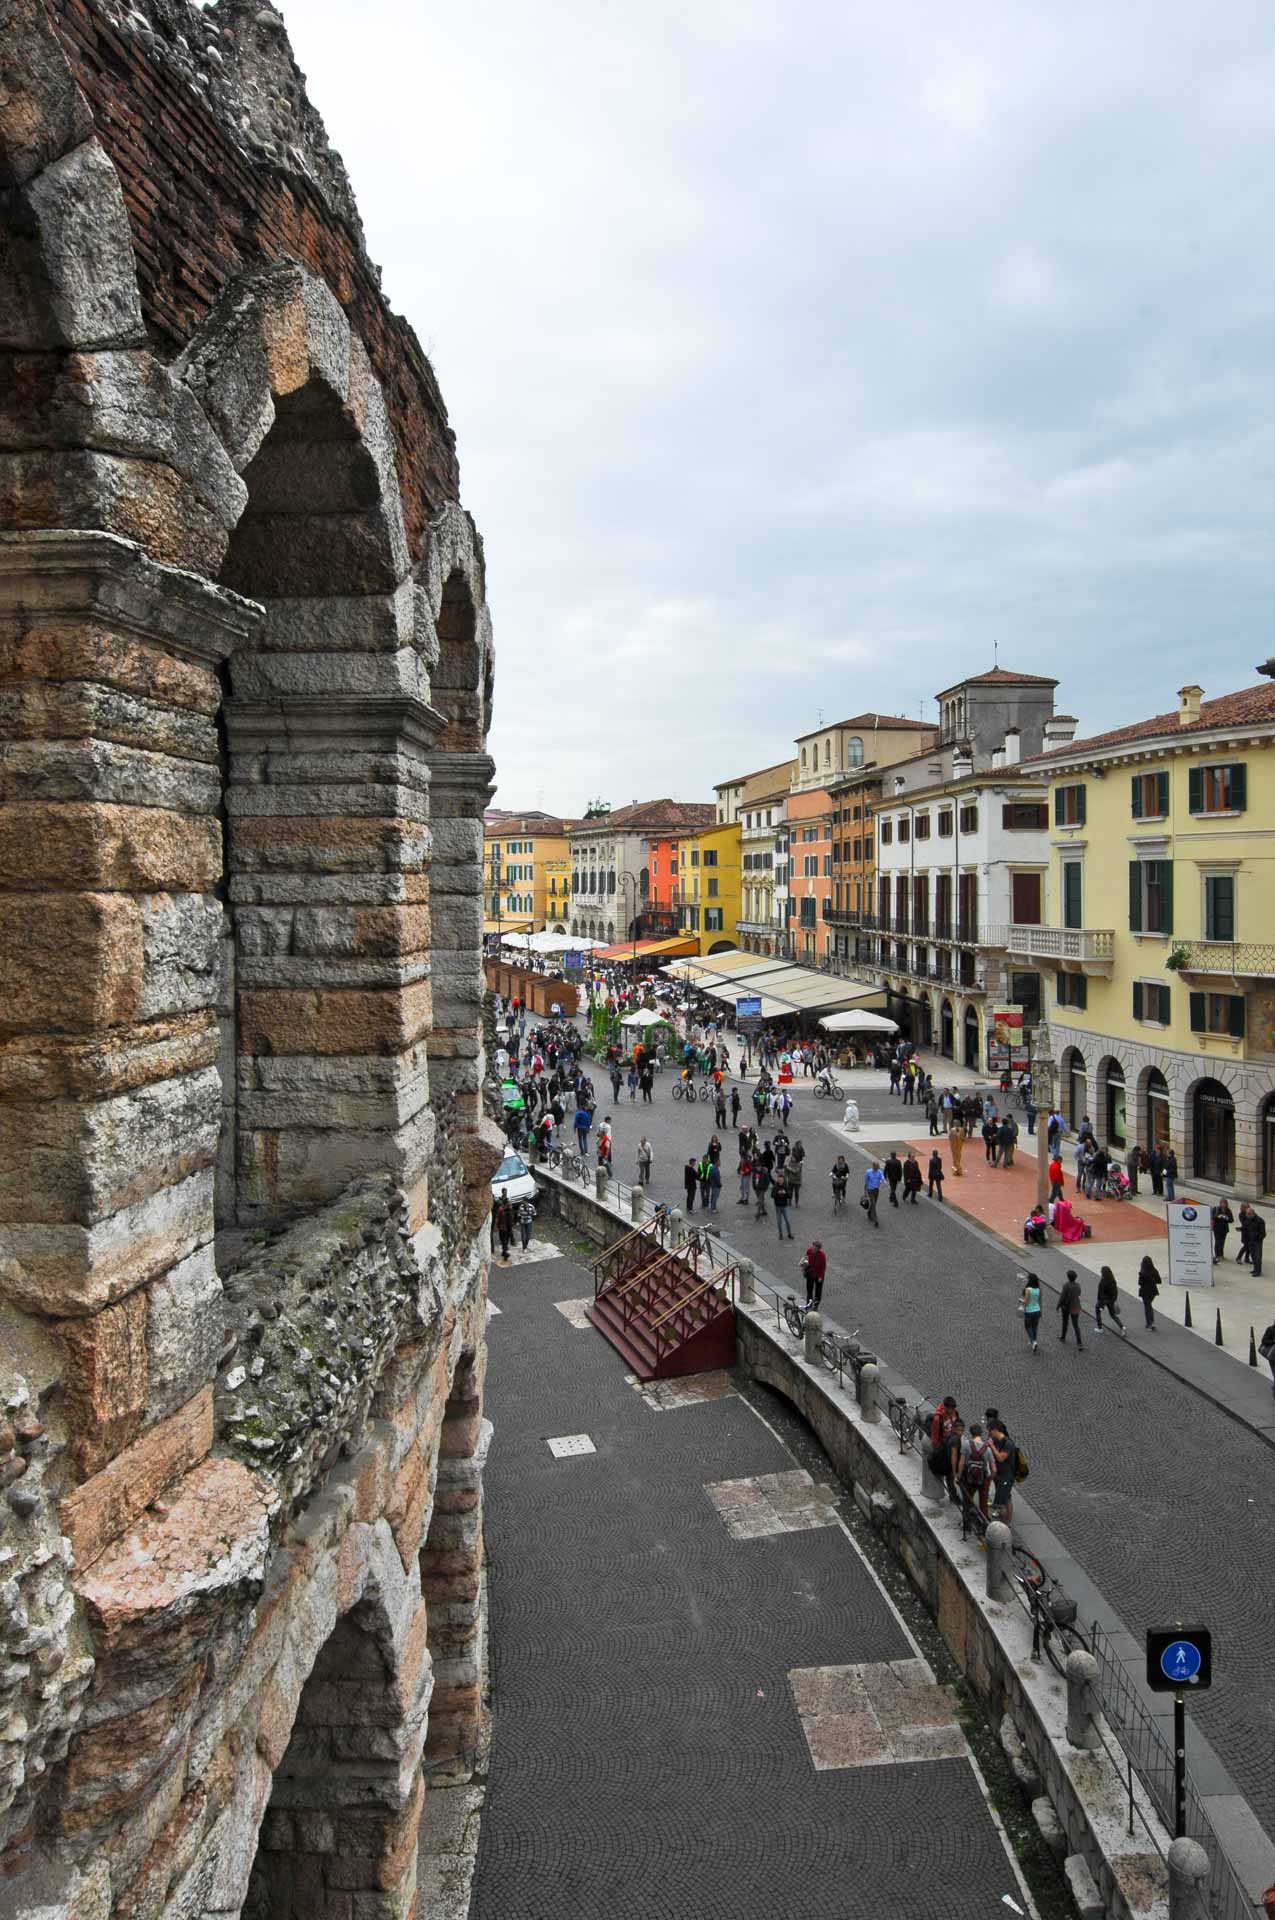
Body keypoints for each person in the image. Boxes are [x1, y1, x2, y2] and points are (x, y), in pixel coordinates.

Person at [985, 1411, 1016, 1524]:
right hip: (999, 1476)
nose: (989, 1433)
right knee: (1007, 1499)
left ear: (995, 1429)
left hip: (1006, 1477)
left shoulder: (1008, 1443)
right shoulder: (996, 1440)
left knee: (1000, 1504)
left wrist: (992, 1446)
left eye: (989, 1431)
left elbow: (1000, 1458)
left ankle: (1003, 1526)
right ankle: (1008, 1524)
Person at [959, 1423, 993, 1520]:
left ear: (971, 1433)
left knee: (967, 1498)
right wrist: (990, 1478)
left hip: (969, 1476)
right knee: (983, 1500)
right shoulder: (988, 1449)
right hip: (984, 1478)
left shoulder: (966, 1445)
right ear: (981, 1433)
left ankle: (967, 1521)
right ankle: (984, 1521)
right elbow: (993, 1468)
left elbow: (961, 1463)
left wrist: (958, 1475)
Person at [1094, 1265, 1125, 1336]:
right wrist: (1114, 1300)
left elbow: (1101, 1294)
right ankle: (1122, 1327)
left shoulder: (1103, 1281)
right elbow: (1115, 1292)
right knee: (1113, 1315)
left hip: (1103, 1300)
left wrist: (1101, 1305)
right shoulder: (1113, 1280)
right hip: (1111, 1300)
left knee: (1097, 1311)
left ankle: (1100, 1328)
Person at [1058, 1268, 1084, 1348]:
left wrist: (1058, 1305)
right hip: (1076, 1306)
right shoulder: (1078, 1285)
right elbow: (1079, 1293)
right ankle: (1079, 1343)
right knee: (1076, 1325)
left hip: (1066, 1307)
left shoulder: (1066, 1285)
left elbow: (1062, 1297)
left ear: (1068, 1277)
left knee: (1065, 1322)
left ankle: (1063, 1337)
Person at [1137, 1254, 1161, 1329]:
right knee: (1148, 1305)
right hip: (1153, 1291)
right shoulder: (1154, 1271)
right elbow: (1159, 1281)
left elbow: (1139, 1283)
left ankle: (1150, 1323)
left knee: (1147, 1307)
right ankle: (1150, 1323)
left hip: (1145, 1291)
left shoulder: (1142, 1272)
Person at [802, 1239, 827, 1309]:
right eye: (812, 1246)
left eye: (814, 1247)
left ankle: (816, 1305)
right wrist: (804, 1264)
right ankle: (809, 1304)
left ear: (818, 1249)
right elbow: (806, 1259)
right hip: (810, 1274)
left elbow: (823, 1267)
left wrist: (820, 1277)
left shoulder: (822, 1256)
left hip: (819, 1276)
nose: (812, 1248)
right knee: (809, 1291)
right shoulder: (809, 1251)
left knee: (818, 1292)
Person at [1021, 1273, 1042, 1350]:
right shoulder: (1038, 1289)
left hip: (1029, 1311)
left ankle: (1033, 1341)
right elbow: (1038, 1301)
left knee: (1027, 1327)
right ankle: (1033, 1341)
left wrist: (1021, 1301)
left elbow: (1026, 1301)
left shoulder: (1028, 1289)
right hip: (1037, 1310)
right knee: (1034, 1327)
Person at [493, 1189, 514, 1263]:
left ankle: (505, 1252)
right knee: (505, 1240)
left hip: (503, 1228)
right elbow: (512, 1217)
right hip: (508, 1227)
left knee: (503, 1240)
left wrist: (496, 1227)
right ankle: (504, 1251)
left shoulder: (500, 1209)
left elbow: (497, 1219)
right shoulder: (509, 1209)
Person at [863, 1160, 884, 1227]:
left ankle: (869, 1212)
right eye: (877, 1167)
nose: (878, 1168)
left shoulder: (879, 1171)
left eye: (878, 1167)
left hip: (876, 1190)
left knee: (873, 1204)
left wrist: (884, 1181)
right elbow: (866, 1182)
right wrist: (865, 1192)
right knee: (873, 1203)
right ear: (873, 1166)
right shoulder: (868, 1172)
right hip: (870, 1190)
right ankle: (875, 1220)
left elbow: (882, 1177)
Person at [1212, 1197, 1233, 1262]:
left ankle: (1221, 1254)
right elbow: (1212, 1217)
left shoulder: (1228, 1210)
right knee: (1217, 1242)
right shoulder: (1216, 1209)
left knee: (1222, 1242)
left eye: (1225, 1203)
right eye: (1222, 1203)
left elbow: (1231, 1220)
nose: (1223, 1204)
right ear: (1220, 1203)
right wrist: (1218, 1216)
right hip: (1217, 1229)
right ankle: (1217, 1255)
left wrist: (1227, 1218)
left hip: (1224, 1229)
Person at [1249, 1207, 1266, 1278]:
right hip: (1251, 1241)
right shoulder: (1250, 1219)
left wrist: (1257, 1238)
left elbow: (1263, 1233)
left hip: (1257, 1242)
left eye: (1248, 1214)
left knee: (1258, 1257)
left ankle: (1258, 1271)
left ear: (1252, 1213)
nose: (1247, 1216)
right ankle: (1255, 1269)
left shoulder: (1260, 1221)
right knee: (1253, 1255)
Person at [788, 1141, 805, 1207]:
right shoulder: (790, 1162)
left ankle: (796, 1203)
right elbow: (788, 1170)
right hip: (791, 1180)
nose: (792, 1158)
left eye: (792, 1157)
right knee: (790, 1191)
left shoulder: (799, 1164)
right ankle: (789, 1202)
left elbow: (796, 1171)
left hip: (797, 1180)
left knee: (796, 1193)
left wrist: (789, 1169)